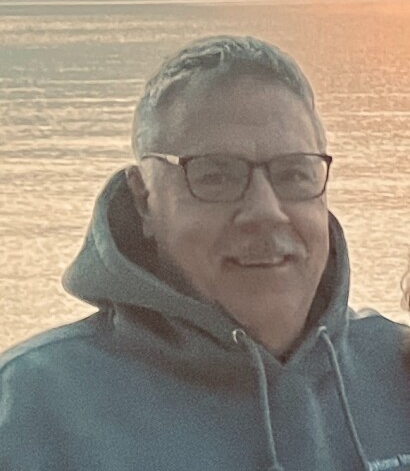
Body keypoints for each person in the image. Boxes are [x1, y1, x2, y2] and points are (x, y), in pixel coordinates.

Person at [1, 36, 409, 471]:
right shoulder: (32, 410)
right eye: (215, 176)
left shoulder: (397, 372)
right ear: (144, 200)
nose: (265, 211)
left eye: (294, 173)